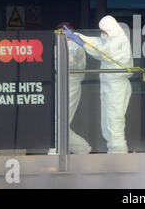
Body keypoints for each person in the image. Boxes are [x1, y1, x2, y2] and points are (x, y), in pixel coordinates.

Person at [63, 15, 133, 154]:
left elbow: (102, 50)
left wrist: (80, 39)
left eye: (104, 31)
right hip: (110, 85)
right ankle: (114, 152)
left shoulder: (119, 41)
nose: (102, 34)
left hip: (116, 85)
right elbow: (100, 44)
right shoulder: (111, 41)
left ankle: (118, 154)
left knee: (114, 120)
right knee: (108, 122)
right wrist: (80, 38)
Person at [56, 22, 92, 154]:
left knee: (61, 121)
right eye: (60, 33)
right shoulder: (58, 47)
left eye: (65, 33)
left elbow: (72, 60)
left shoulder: (76, 46)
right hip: (59, 84)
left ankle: (56, 150)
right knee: (58, 122)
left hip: (71, 85)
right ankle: (82, 148)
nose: (62, 36)